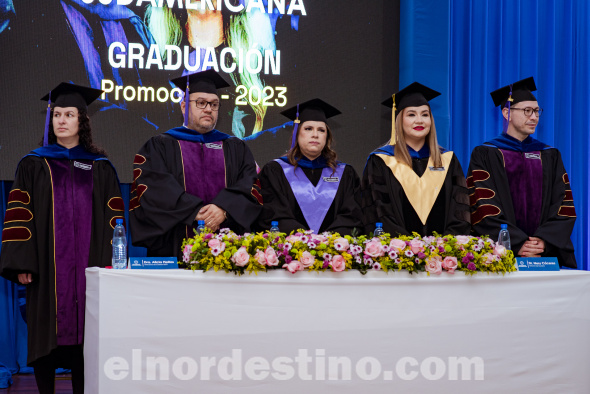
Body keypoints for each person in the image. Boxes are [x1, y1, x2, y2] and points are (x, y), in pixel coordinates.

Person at [0, 83, 123, 394]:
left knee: (88, 338)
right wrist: (22, 262)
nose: (61, 121)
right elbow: (19, 215)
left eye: (69, 114)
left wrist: (112, 264)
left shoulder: (101, 167)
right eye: (56, 115)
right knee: (45, 339)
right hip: (46, 269)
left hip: (90, 268)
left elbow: (114, 220)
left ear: (82, 121)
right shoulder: (33, 164)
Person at [130, 69, 262, 258]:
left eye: (214, 104)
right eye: (201, 103)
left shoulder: (236, 148)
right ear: (184, 106)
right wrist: (194, 211)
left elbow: (250, 185)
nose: (208, 109)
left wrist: (224, 208)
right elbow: (154, 188)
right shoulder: (160, 145)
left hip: (229, 255)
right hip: (174, 249)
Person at [467, 77, 576, 268]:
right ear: (506, 112)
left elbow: (563, 203)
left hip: (544, 255)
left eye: (536, 111)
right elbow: (483, 206)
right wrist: (516, 243)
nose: (534, 117)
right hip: (500, 254)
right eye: (527, 111)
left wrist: (543, 240)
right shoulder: (486, 153)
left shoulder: (549, 155)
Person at [361, 82, 471, 236]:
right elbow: (377, 211)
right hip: (398, 254)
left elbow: (460, 212)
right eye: (411, 114)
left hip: (442, 255)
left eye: (425, 114)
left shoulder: (447, 160)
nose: (419, 120)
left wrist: (444, 247)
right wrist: (406, 248)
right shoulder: (381, 161)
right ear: (399, 120)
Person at [256, 99, 363, 235]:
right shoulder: (275, 171)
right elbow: (272, 214)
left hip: (335, 250)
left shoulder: (345, 173)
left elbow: (352, 216)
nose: (315, 134)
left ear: (327, 136)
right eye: (308, 129)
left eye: (321, 130)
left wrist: (328, 240)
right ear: (296, 133)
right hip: (291, 250)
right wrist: (304, 238)